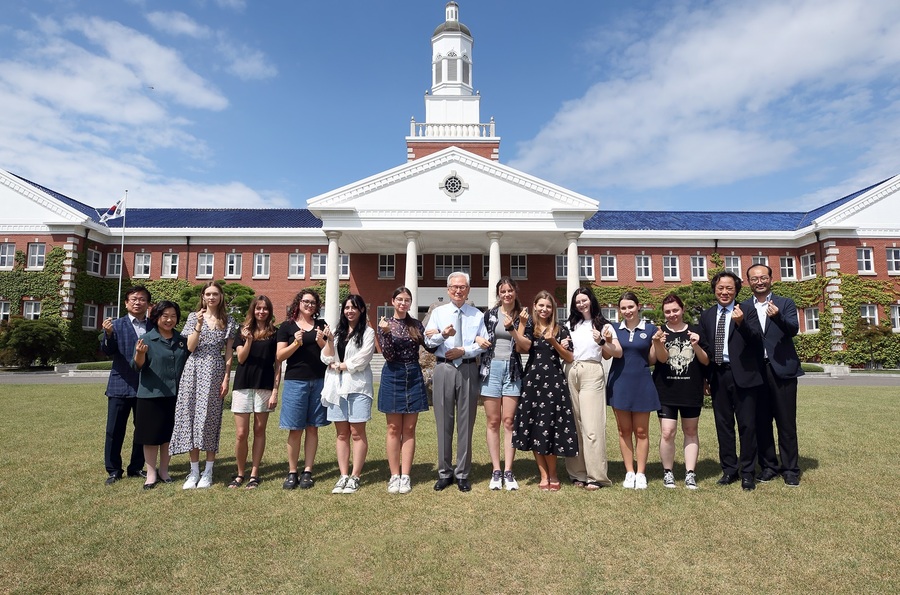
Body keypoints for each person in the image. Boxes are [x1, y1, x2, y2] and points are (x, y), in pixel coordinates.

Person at [699, 271, 763, 491]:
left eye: (729, 288)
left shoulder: (747, 310)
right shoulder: (707, 315)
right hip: (718, 375)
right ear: (714, 290)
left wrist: (742, 323)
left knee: (747, 425)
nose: (724, 292)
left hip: (744, 376)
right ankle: (729, 470)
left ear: (736, 290)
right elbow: (705, 348)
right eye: (720, 288)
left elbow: (757, 341)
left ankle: (747, 473)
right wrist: (706, 378)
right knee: (723, 425)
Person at [170, 282, 238, 489]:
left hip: (215, 369)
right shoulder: (193, 317)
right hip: (194, 369)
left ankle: (208, 471)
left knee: (210, 418)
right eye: (208, 294)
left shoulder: (229, 320)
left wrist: (226, 378)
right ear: (202, 296)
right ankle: (193, 471)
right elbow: (190, 347)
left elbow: (228, 353)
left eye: (215, 294)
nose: (211, 297)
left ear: (221, 297)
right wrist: (198, 324)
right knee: (190, 416)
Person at [424, 272, 487, 493]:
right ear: (448, 289)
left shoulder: (477, 315)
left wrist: (464, 349)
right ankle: (444, 472)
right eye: (454, 287)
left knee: (466, 422)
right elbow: (428, 339)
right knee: (443, 422)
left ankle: (462, 473)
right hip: (443, 368)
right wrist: (443, 334)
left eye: (462, 287)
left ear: (468, 289)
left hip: (468, 368)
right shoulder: (438, 313)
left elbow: (484, 343)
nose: (458, 290)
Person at [742, 264, 803, 487]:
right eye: (754, 278)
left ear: (771, 279)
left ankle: (790, 469)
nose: (759, 282)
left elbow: (793, 329)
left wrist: (777, 317)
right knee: (761, 421)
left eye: (763, 278)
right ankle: (769, 466)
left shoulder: (785, 303)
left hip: (782, 370)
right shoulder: (744, 306)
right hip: (756, 371)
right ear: (748, 281)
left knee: (786, 422)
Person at [512, 290, 578, 491]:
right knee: (535, 427)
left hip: (554, 382)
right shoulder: (528, 326)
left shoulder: (561, 329)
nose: (544, 309)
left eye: (548, 306)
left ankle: (553, 474)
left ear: (553, 310)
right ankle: (542, 474)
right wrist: (522, 324)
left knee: (551, 427)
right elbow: (519, 348)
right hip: (532, 381)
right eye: (541, 305)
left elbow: (568, 357)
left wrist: (553, 341)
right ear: (534, 306)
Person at [475, 276, 531, 491]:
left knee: (509, 421)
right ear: (498, 294)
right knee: (492, 421)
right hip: (491, 370)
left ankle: (509, 470)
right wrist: (478, 340)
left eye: (509, 290)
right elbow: (477, 336)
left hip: (512, 369)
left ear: (515, 292)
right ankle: (495, 470)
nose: (506, 294)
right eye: (502, 291)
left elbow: (523, 348)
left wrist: (514, 328)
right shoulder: (489, 315)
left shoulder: (522, 315)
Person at [605, 291, 663, 490]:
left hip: (642, 384)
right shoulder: (613, 329)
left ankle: (641, 473)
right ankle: (629, 472)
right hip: (619, 384)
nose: (627, 311)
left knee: (641, 432)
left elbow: (654, 359)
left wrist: (657, 341)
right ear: (619, 310)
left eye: (631, 306)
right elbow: (607, 353)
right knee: (623, 431)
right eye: (623, 308)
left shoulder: (651, 329)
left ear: (638, 306)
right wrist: (603, 341)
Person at [652, 294, 710, 489]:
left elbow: (705, 360)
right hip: (666, 390)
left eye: (675, 310)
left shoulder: (696, 331)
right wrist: (658, 342)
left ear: (682, 309)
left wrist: (695, 345)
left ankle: (690, 473)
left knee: (690, 431)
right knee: (667, 432)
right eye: (667, 311)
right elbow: (659, 360)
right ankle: (668, 472)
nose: (672, 314)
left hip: (690, 389)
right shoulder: (660, 332)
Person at [377, 287, 430, 494]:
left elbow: (430, 346)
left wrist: (440, 334)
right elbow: (388, 355)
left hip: (413, 373)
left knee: (409, 429)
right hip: (393, 374)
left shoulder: (416, 324)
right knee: (393, 428)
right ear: (392, 301)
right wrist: (387, 334)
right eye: (399, 299)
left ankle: (405, 475)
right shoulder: (385, 324)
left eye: (407, 300)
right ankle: (394, 475)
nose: (403, 303)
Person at [132, 301, 190, 490]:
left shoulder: (181, 340)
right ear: (156, 317)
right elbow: (137, 366)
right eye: (165, 316)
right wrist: (140, 354)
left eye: (173, 316)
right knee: (150, 437)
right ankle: (150, 473)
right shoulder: (147, 339)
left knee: (168, 436)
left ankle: (164, 471)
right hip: (151, 395)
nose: (169, 320)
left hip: (175, 396)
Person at [321, 294, 376, 494]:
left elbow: (364, 358)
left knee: (356, 432)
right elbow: (325, 357)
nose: (350, 311)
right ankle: (343, 475)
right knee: (342, 433)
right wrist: (329, 341)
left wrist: (342, 365)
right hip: (337, 387)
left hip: (358, 387)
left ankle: (355, 476)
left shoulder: (368, 332)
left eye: (354, 307)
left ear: (361, 310)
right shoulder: (337, 331)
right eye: (346, 307)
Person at [276, 289, 329, 490]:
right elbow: (280, 356)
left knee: (313, 427)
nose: (309, 305)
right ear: (299, 303)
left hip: (318, 380)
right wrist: (296, 343)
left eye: (313, 303)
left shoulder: (321, 325)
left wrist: (322, 340)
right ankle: (292, 472)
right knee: (295, 428)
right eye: (306, 301)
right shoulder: (287, 327)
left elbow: (329, 353)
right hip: (295, 382)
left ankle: (307, 471)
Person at [564, 287, 615, 490]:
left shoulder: (604, 325)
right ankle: (578, 473)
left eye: (584, 300)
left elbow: (609, 355)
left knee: (592, 426)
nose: (581, 304)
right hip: (571, 370)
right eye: (577, 301)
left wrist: (603, 341)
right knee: (575, 425)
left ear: (591, 301)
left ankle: (596, 476)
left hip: (592, 371)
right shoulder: (569, 325)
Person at [100, 285, 150, 485]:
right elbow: (107, 351)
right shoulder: (115, 325)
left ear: (148, 303)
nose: (138, 302)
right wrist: (109, 334)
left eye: (142, 299)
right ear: (126, 303)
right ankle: (113, 469)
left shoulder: (153, 326)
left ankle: (136, 467)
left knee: (143, 429)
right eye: (134, 299)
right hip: (120, 384)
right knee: (114, 429)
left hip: (145, 386)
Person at [229, 295, 280, 490]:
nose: (261, 312)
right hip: (243, 385)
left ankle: (254, 473)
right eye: (258, 308)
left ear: (269, 311)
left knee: (259, 430)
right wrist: (249, 340)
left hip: (264, 386)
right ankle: (240, 473)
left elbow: (278, 365)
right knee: (241, 433)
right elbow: (240, 359)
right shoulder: (242, 331)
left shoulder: (274, 333)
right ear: (253, 310)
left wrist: (275, 391)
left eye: (265, 308)